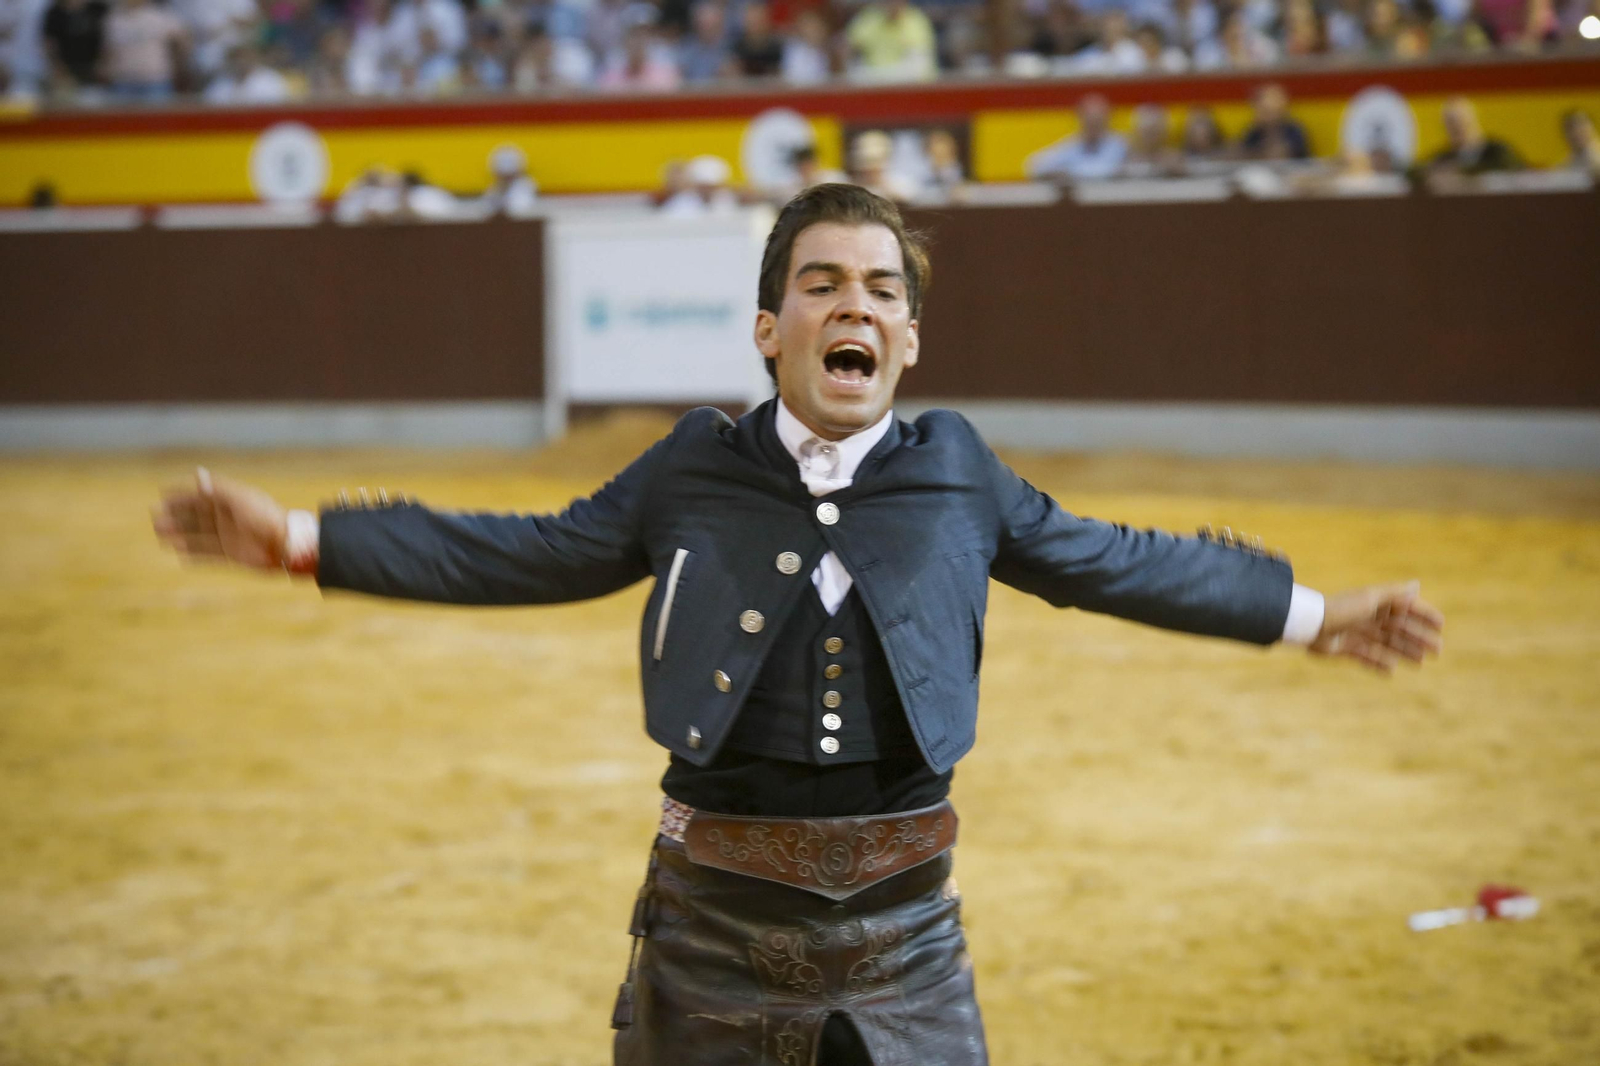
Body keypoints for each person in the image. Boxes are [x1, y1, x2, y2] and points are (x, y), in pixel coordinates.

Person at [152, 183, 1444, 1066]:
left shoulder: (960, 470)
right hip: (711, 918)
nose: (854, 306)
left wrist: (1312, 615)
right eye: (822, 286)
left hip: (908, 928)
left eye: (881, 289)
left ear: (909, 339)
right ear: (771, 330)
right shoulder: (689, 466)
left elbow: (1114, 561)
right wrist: (307, 540)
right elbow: (528, 551)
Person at [1025, 93, 1128, 182]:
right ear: (1081, 120)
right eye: (1090, 122)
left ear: (1107, 119)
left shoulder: (1120, 145)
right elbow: (1034, 167)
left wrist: (1071, 172)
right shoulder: (1072, 145)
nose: (1094, 127)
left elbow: (1121, 170)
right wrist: (1061, 173)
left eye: (1097, 122)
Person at [1424, 95, 1522, 176]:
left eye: (1461, 121)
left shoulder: (1497, 151)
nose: (1457, 128)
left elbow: (1516, 172)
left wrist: (1463, 173)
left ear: (1472, 119)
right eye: (1451, 123)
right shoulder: (1443, 159)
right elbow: (1425, 172)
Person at [1239, 82, 1311, 161]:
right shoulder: (1255, 131)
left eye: (1268, 111)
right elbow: (1240, 152)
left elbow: (1279, 155)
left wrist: (1272, 131)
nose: (1262, 115)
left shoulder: (1293, 130)